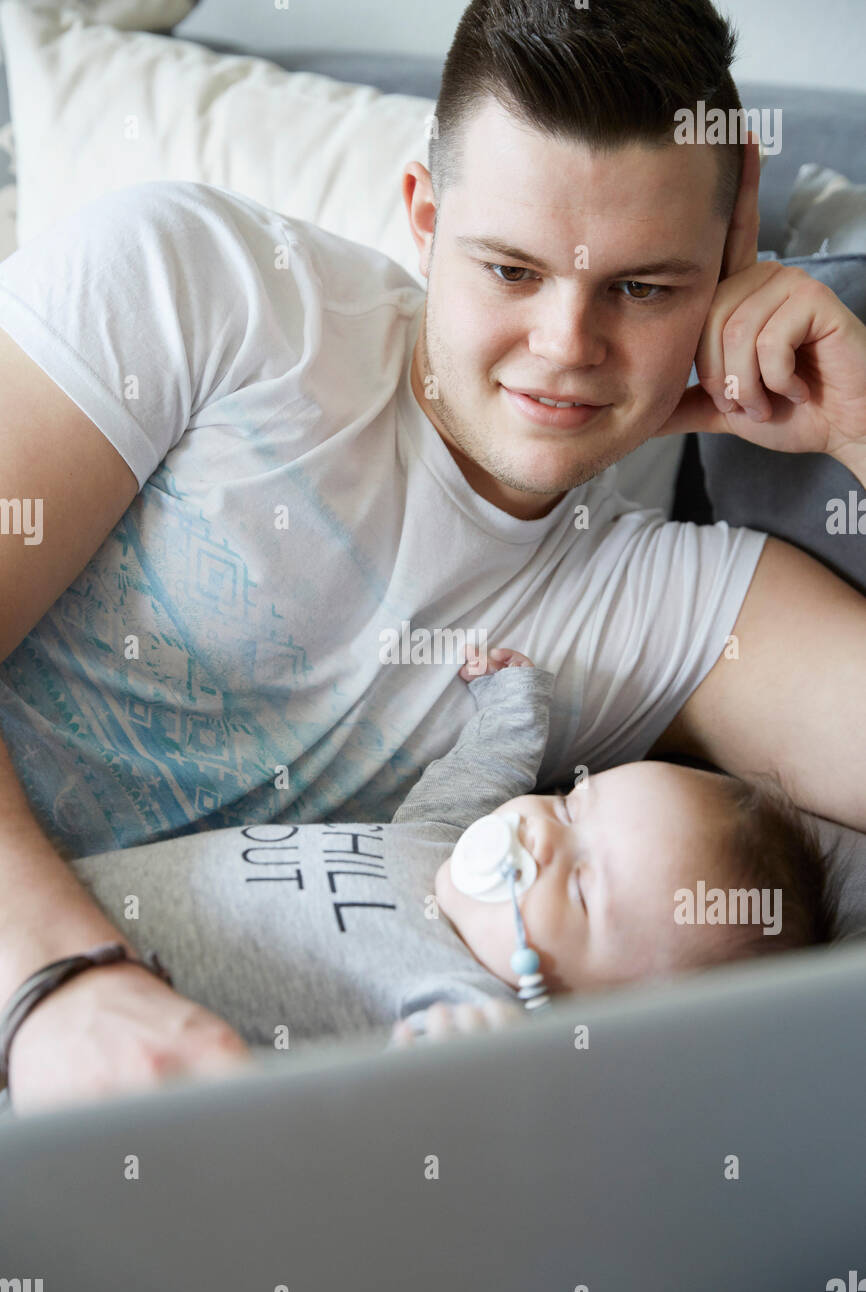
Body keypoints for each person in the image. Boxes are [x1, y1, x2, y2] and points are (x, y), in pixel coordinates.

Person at [1, 0, 865, 1113]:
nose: (563, 349)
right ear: (422, 212)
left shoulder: (667, 607)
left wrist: (857, 422)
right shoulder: (200, 287)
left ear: (734, 227)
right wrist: (59, 985)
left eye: (639, 287)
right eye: (508, 269)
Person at [2, 644, 837, 1111]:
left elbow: (435, 1130)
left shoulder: (474, 1009)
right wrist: (515, 697)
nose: (540, 834)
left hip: (74, 1073)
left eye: (583, 890)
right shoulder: (440, 842)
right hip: (47, 922)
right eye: (576, 804)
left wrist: (469, 1081)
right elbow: (487, 768)